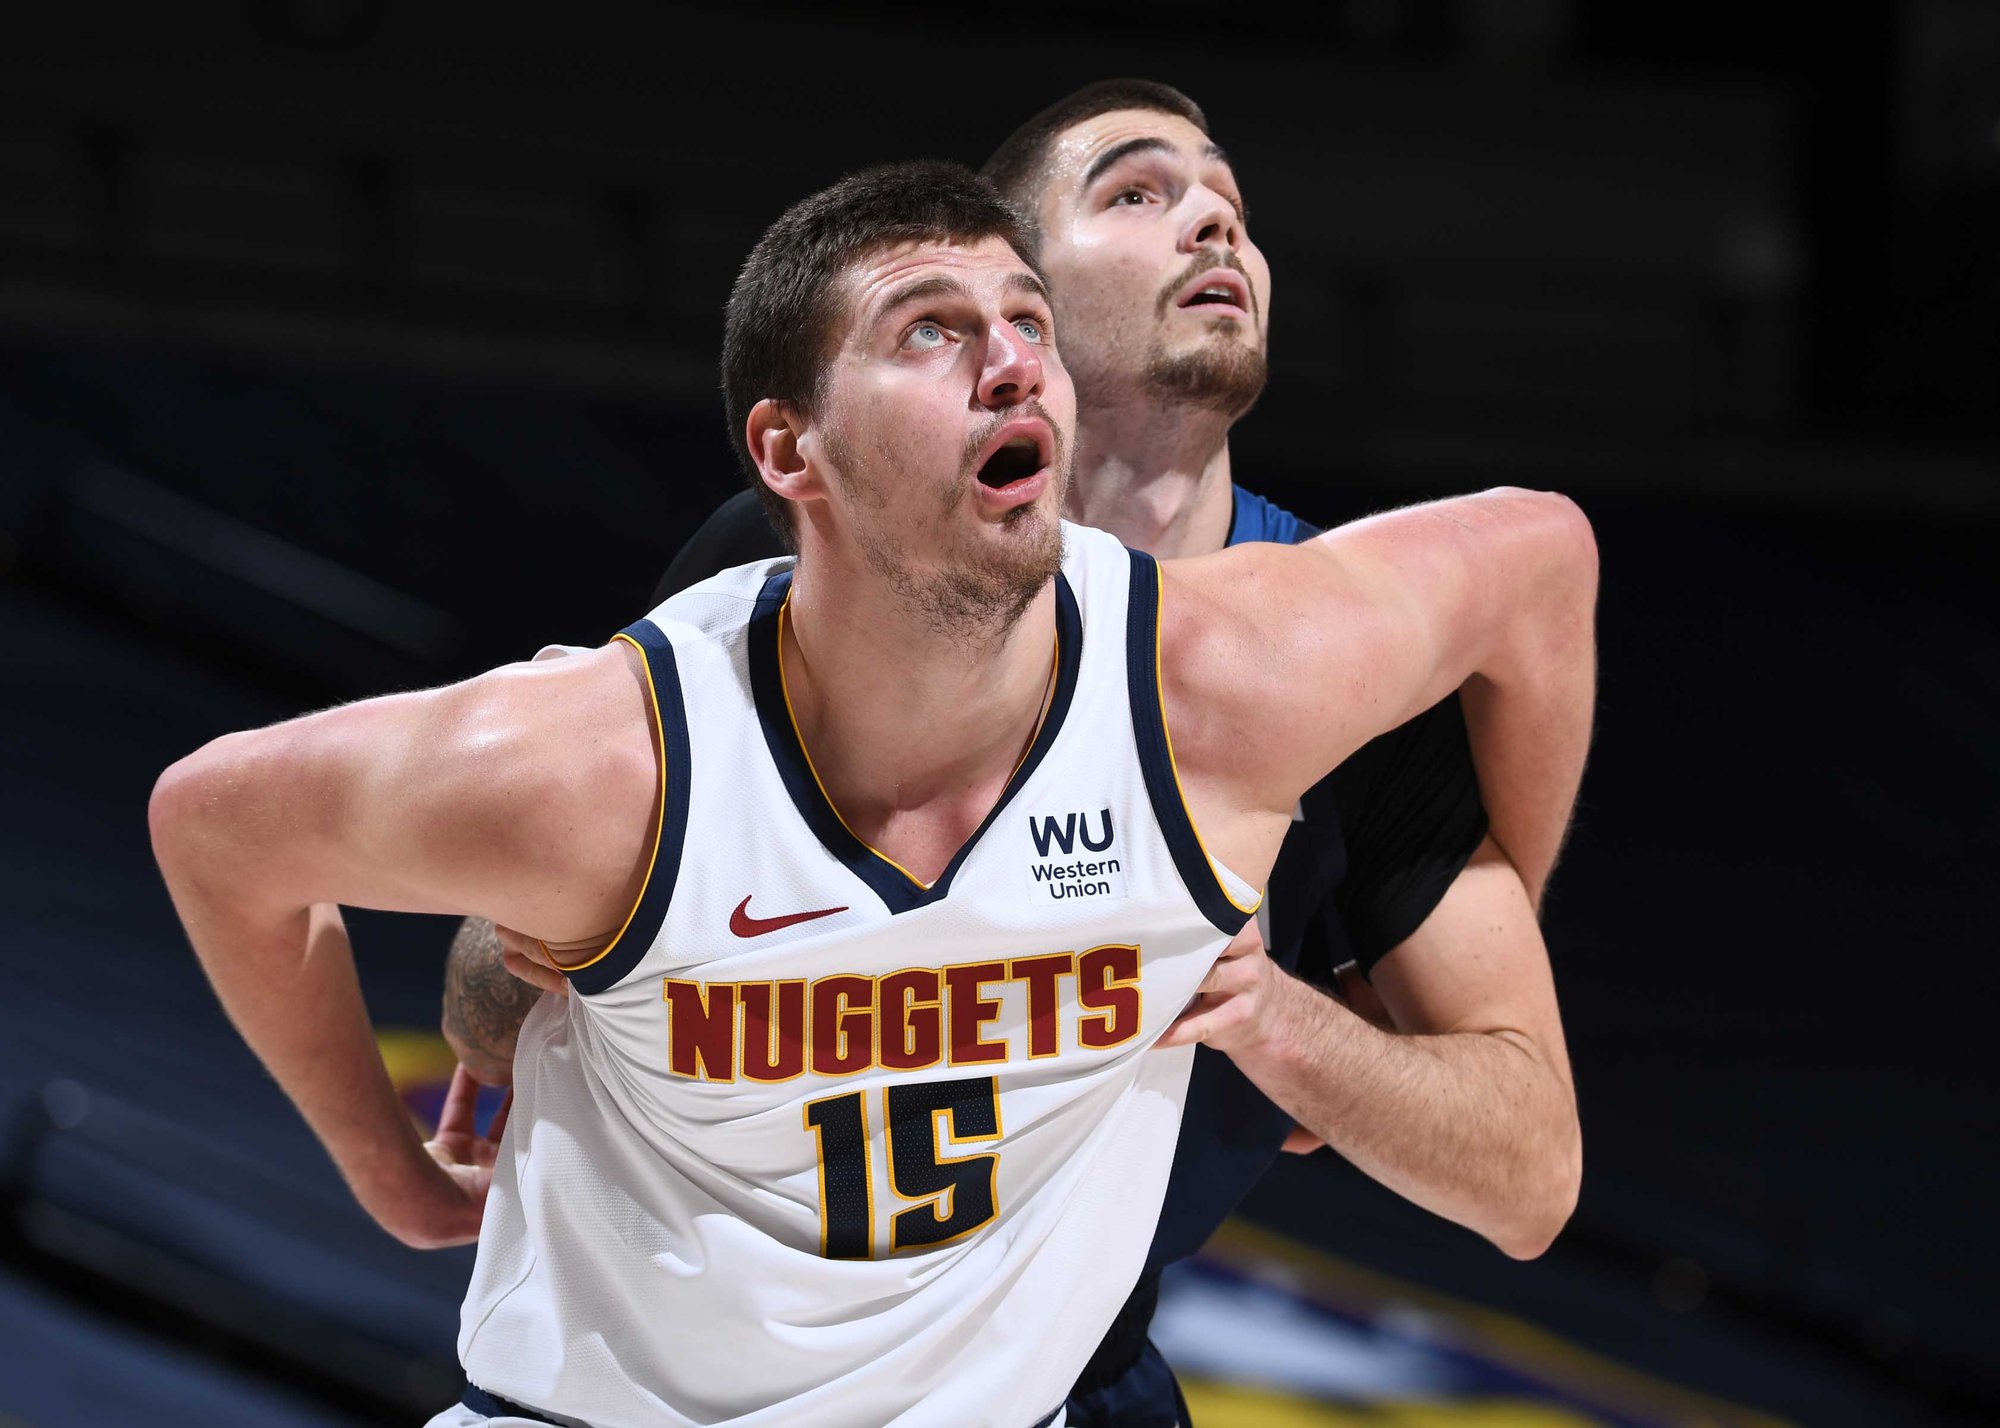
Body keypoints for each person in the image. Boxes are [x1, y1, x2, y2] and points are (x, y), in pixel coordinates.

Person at [152, 161, 1596, 1427]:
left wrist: (1381, 978)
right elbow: (214, 823)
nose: (1012, 362)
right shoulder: (613, 761)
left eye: (1029, 322)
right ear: (791, 451)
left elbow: (1543, 558)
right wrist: (390, 1177)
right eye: (931, 331)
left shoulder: (1217, 693)